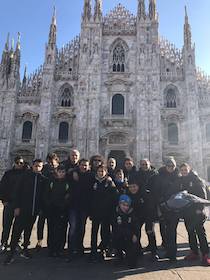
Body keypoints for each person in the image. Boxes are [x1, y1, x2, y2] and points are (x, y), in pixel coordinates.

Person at [4, 159, 48, 265]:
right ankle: (10, 255)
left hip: (34, 211)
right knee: (16, 232)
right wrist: (17, 207)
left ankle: (25, 249)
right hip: (23, 209)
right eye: (36, 166)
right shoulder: (24, 177)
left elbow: (43, 196)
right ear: (32, 166)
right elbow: (17, 192)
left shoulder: (43, 179)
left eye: (40, 166)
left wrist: (41, 209)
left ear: (42, 167)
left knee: (28, 231)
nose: (37, 168)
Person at [179, 163, 210, 265]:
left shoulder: (197, 180)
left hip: (197, 211)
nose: (183, 172)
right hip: (187, 211)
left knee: (200, 233)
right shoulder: (182, 180)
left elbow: (203, 196)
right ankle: (194, 252)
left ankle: (206, 255)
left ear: (189, 169)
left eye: (185, 170)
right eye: (182, 170)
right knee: (190, 232)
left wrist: (200, 209)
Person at [66, 159, 94, 261]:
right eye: (82, 165)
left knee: (81, 228)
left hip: (84, 207)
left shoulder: (91, 176)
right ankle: (70, 250)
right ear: (79, 165)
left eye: (86, 165)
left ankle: (79, 248)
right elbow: (64, 174)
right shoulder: (73, 174)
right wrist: (73, 170)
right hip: (73, 206)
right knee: (73, 228)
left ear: (88, 166)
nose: (84, 167)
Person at [89, 165, 117, 262]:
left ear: (106, 172)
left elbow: (114, 196)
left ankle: (103, 250)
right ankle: (93, 251)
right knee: (94, 232)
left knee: (105, 232)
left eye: (103, 171)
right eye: (99, 171)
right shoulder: (93, 182)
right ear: (96, 172)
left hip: (106, 212)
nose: (101, 173)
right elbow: (90, 197)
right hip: (95, 211)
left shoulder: (109, 182)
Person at [155, 157, 180, 261]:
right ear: (165, 166)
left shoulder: (178, 176)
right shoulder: (160, 175)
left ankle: (172, 254)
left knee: (172, 231)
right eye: (169, 166)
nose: (171, 168)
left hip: (174, 208)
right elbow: (156, 191)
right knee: (164, 230)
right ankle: (167, 250)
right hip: (163, 206)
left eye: (173, 166)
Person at [0, 155, 25, 253]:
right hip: (9, 203)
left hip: (20, 205)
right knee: (6, 225)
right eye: (18, 163)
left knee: (19, 225)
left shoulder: (25, 174)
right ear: (14, 163)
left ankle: (17, 243)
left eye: (21, 163)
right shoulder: (8, 174)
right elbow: (2, 187)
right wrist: (4, 200)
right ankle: (3, 243)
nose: (20, 165)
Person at [127, 183, 158, 261]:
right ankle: (137, 250)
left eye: (134, 186)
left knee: (150, 231)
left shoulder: (146, 194)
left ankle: (154, 252)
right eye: (130, 187)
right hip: (136, 216)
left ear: (138, 186)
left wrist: (150, 222)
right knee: (136, 232)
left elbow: (151, 209)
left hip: (148, 215)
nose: (132, 189)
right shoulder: (128, 194)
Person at [36, 153, 60, 251]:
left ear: (56, 161)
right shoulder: (43, 170)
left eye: (52, 162)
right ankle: (39, 241)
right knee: (41, 223)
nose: (51, 164)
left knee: (52, 224)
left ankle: (51, 243)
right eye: (49, 162)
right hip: (43, 201)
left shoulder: (59, 170)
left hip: (53, 202)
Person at [45, 165, 70, 257]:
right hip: (52, 209)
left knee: (62, 229)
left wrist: (64, 205)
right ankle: (51, 248)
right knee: (51, 229)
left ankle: (60, 248)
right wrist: (49, 204)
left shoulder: (67, 183)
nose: (61, 174)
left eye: (63, 172)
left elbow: (69, 195)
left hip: (63, 210)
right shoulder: (51, 182)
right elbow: (47, 194)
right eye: (60, 172)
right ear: (57, 172)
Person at [135, 159, 158, 255]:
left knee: (150, 229)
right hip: (139, 207)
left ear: (149, 164)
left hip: (150, 206)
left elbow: (158, 189)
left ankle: (153, 250)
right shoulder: (137, 174)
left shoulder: (155, 175)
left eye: (146, 164)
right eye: (142, 164)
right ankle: (137, 248)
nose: (144, 166)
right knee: (136, 229)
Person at [112, 194, 139, 268]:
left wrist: (134, 235)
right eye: (123, 204)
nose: (125, 207)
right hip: (120, 237)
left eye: (127, 205)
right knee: (116, 238)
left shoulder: (132, 214)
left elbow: (136, 227)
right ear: (119, 204)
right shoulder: (116, 214)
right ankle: (119, 256)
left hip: (130, 238)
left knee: (132, 262)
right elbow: (117, 228)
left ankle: (132, 257)